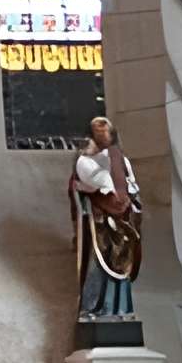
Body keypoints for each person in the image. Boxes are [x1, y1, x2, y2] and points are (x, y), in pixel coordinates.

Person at [72, 116, 141, 326]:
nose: (102, 136)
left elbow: (131, 185)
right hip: (100, 219)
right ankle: (94, 307)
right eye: (97, 132)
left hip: (121, 218)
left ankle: (120, 308)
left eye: (105, 132)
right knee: (98, 263)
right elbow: (93, 182)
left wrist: (128, 197)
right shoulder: (84, 161)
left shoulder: (120, 159)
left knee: (121, 262)